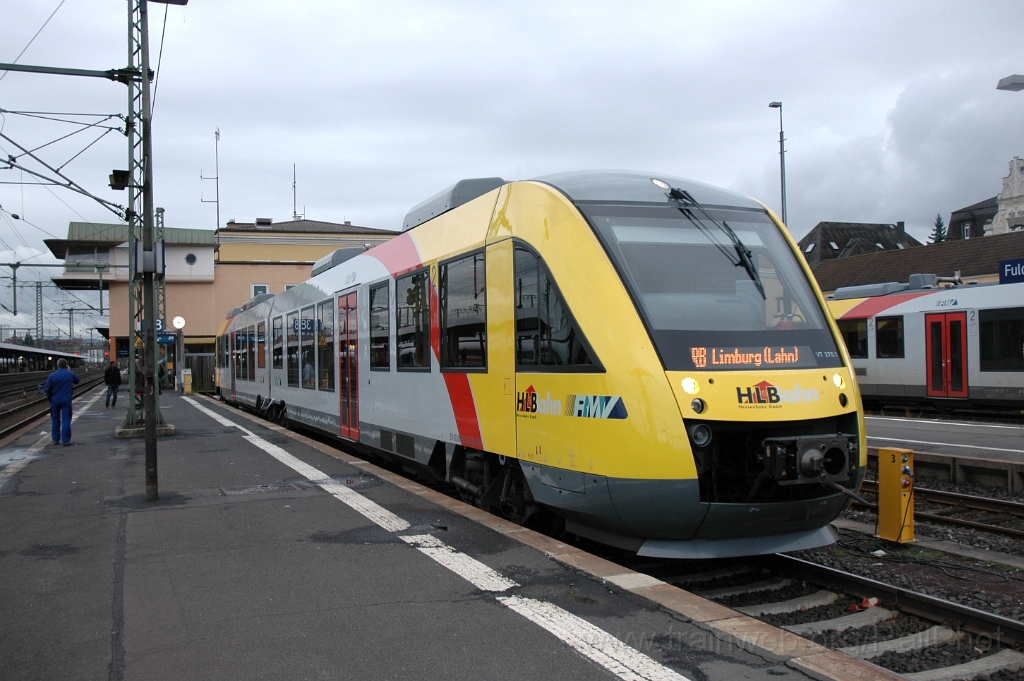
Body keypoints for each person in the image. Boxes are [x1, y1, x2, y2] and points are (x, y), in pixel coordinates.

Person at [44, 359, 80, 446]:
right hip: (66, 400)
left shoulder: (52, 376)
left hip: (55, 400)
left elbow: (47, 389)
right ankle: (66, 440)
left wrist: (50, 398)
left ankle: (55, 439)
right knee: (66, 419)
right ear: (66, 365)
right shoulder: (70, 374)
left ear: (57, 365)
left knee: (55, 419)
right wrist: (69, 371)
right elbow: (77, 381)